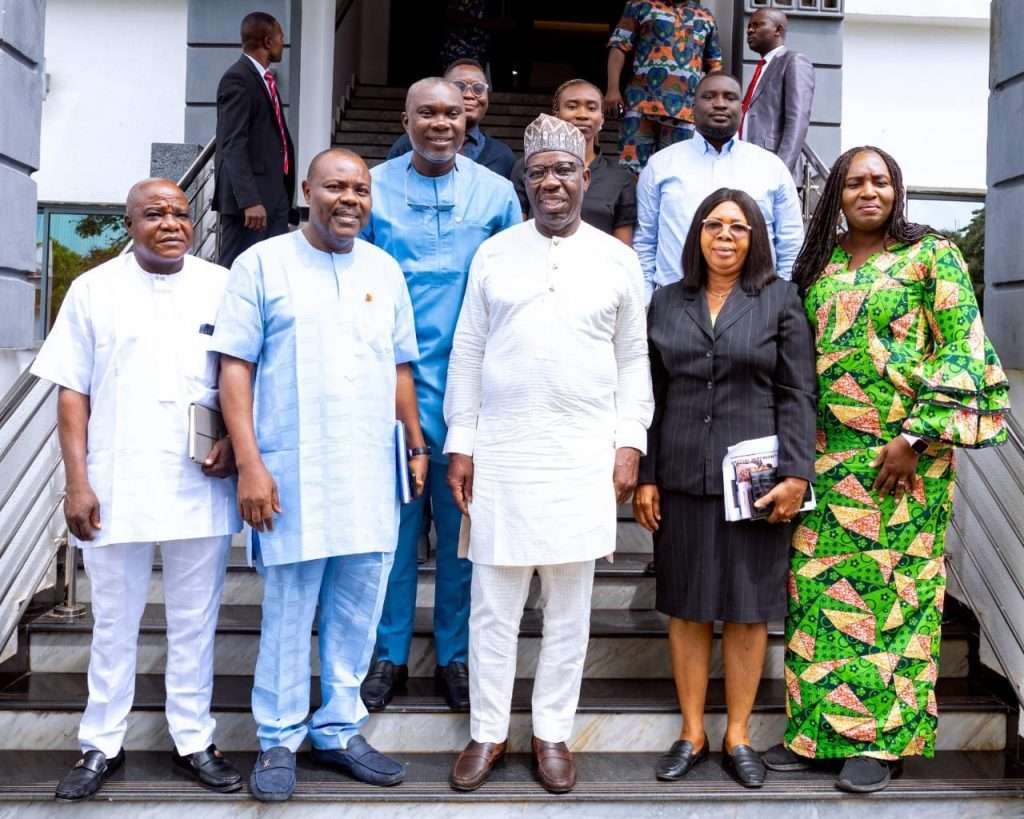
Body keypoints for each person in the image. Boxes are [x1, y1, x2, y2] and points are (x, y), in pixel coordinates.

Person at [762, 146, 1009, 793]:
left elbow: (963, 352)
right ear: (835, 194)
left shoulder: (932, 255)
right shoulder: (818, 265)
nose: (868, 191)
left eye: (880, 180)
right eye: (853, 182)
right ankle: (817, 732)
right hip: (825, 460)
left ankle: (882, 739)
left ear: (897, 189)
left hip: (904, 463)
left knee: (892, 600)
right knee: (817, 597)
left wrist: (913, 436)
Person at [444, 114, 653, 794]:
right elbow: (468, 351)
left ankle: (552, 730)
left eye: (563, 170)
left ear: (585, 177)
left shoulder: (619, 260)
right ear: (525, 182)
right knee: (493, 607)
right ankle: (487, 731)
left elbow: (633, 361)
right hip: (503, 454)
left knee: (569, 608)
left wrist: (629, 443)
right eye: (538, 172)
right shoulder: (496, 254)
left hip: (581, 455)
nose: (551, 181)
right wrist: (461, 442)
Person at [212, 149, 427, 801]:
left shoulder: (385, 270)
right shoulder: (261, 264)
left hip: (370, 472)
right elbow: (234, 368)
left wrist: (415, 444)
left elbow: (399, 369)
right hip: (290, 473)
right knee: (287, 611)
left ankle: (338, 727)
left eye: (361, 188)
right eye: (336, 186)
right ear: (306, 190)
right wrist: (249, 464)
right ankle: (277, 739)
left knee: (357, 610)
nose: (350, 198)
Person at [34, 179, 243, 801]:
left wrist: (233, 440)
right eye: (155, 214)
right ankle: (101, 743)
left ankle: (193, 740)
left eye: (180, 212)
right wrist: (76, 482)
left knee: (194, 621)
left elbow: (240, 376)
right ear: (129, 223)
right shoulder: (94, 290)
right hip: (115, 480)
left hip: (198, 482)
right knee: (115, 621)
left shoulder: (221, 285)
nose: (171, 223)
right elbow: (73, 392)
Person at [634, 188, 816, 789]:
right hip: (682, 475)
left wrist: (797, 472)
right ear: (696, 235)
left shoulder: (781, 300)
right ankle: (692, 731)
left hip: (756, 484)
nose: (725, 237)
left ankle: (738, 733)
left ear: (755, 238)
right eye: (714, 225)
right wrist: (648, 474)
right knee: (686, 608)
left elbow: (796, 393)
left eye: (739, 228)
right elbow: (650, 397)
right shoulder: (664, 302)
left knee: (746, 610)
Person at [360, 78, 521, 713]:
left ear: (469, 119)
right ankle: (387, 655)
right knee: (393, 535)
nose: (440, 123)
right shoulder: (370, 186)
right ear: (405, 118)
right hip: (389, 391)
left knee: (462, 538)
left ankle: (455, 656)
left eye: (451, 113)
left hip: (473, 396)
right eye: (426, 112)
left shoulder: (498, 193)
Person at [635, 72, 804, 303]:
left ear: (742, 108)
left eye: (730, 97)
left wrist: (780, 302)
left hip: (754, 306)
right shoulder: (660, 166)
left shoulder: (772, 168)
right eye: (709, 96)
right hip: (675, 306)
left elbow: (791, 243)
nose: (720, 104)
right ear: (692, 107)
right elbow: (645, 243)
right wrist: (645, 304)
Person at [213, 11, 297, 269]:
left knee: (271, 273)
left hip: (273, 197)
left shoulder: (265, 80)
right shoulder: (238, 78)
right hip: (251, 206)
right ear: (268, 41)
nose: (284, 42)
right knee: (234, 272)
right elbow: (232, 143)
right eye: (281, 36)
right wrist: (249, 200)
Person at [511, 79, 637, 245]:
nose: (582, 115)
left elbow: (623, 251)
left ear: (602, 119)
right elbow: (515, 234)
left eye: (592, 108)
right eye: (571, 106)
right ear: (556, 115)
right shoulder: (529, 167)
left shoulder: (619, 177)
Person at [605, 0, 722, 174]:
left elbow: (715, 65)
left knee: (677, 172)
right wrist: (612, 90)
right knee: (630, 171)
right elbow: (619, 46)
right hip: (640, 104)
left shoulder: (706, 17)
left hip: (685, 110)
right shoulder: (640, 5)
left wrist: (711, 104)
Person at [388, 59, 516, 180]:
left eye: (478, 88)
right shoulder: (407, 145)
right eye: (459, 87)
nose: (469, 95)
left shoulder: (502, 156)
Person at [740, 9, 815, 186]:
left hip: (772, 170)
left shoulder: (793, 61)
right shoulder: (763, 67)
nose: (750, 30)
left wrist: (781, 171)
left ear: (778, 30)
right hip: (749, 166)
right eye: (749, 26)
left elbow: (797, 120)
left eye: (757, 25)